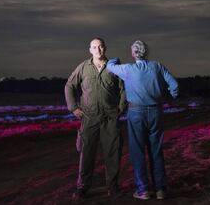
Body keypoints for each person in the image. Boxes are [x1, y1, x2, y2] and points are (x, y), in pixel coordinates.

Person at [107, 40, 178, 200]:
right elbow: (174, 85)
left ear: (133, 53)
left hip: (136, 113)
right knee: (156, 151)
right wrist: (170, 99)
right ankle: (160, 190)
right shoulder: (157, 66)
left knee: (138, 151)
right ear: (146, 52)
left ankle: (143, 190)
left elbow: (110, 66)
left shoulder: (128, 69)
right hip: (156, 112)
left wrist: (114, 59)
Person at [64, 38, 126, 201]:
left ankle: (112, 187)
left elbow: (124, 88)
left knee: (113, 154)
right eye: (94, 47)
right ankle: (82, 187)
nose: (98, 49)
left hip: (110, 118)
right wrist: (73, 107)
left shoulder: (114, 67)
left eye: (100, 46)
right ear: (90, 50)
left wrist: (121, 108)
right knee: (86, 154)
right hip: (89, 118)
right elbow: (69, 86)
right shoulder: (83, 67)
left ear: (105, 48)